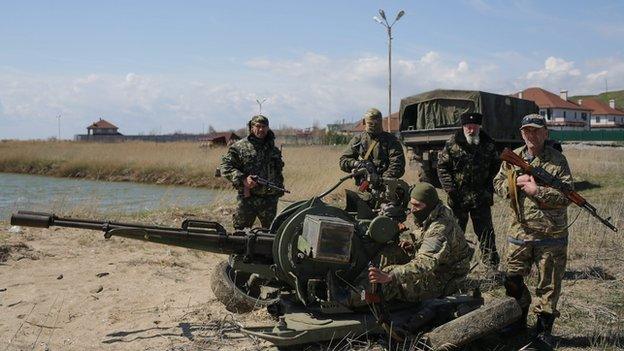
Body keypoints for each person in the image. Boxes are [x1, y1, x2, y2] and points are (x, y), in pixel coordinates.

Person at [493, 114, 572, 348]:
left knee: (548, 285)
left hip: (551, 235)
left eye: (536, 130)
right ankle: (518, 318)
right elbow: (497, 184)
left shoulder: (558, 161)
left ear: (546, 133)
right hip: (519, 232)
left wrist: (537, 191)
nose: (531, 135)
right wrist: (513, 184)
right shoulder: (512, 158)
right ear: (521, 133)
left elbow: (567, 196)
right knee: (512, 278)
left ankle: (543, 331)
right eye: (527, 131)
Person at [367, 182, 473, 303]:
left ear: (428, 205)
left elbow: (425, 263)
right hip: (439, 264)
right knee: (389, 254)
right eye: (412, 205)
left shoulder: (439, 228)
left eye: (417, 206)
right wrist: (413, 246)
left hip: (446, 277)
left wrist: (391, 276)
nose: (412, 210)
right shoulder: (436, 211)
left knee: (387, 282)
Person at [437, 112, 500, 267]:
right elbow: (442, 167)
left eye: (474, 127)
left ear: (479, 126)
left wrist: (489, 189)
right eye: (468, 127)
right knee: (454, 234)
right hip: (458, 198)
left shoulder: (488, 144)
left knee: (486, 234)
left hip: (481, 198)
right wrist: (450, 189)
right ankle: (451, 267)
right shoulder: (452, 143)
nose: (471, 130)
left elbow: (496, 168)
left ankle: (491, 267)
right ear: (463, 126)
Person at [220, 115, 285, 230]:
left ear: (268, 128)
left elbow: (278, 172)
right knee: (240, 233)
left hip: (269, 200)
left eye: (264, 126)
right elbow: (225, 167)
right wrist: (243, 179)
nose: (261, 129)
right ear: (251, 127)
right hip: (248, 198)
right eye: (258, 126)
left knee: (270, 234)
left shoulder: (273, 149)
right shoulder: (239, 147)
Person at [339, 108, 405, 179]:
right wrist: (357, 164)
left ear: (381, 122)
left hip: (386, 184)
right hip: (364, 185)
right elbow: (343, 161)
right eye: (371, 123)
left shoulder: (391, 140)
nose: (373, 126)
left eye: (376, 123)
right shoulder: (358, 139)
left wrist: (384, 179)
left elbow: (397, 163)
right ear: (364, 122)